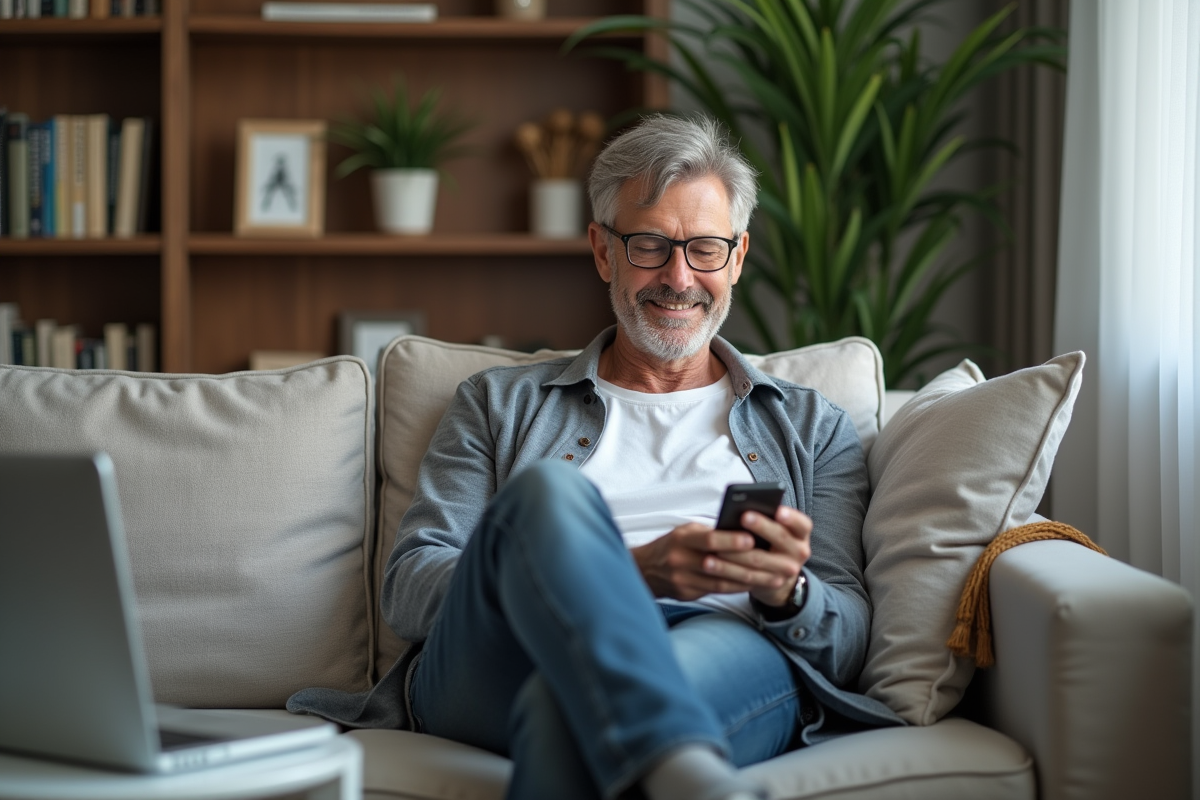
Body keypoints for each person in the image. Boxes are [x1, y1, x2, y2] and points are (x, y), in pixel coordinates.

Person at [288, 114, 902, 800]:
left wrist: (786, 592)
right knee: (547, 493)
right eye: (649, 245)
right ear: (603, 251)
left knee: (563, 709)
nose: (678, 277)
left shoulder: (814, 425)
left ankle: (667, 761)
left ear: (736, 257)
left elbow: (847, 638)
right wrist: (629, 573)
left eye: (704, 248)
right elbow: (409, 590)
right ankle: (686, 770)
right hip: (506, 654)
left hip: (716, 644)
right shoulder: (497, 404)